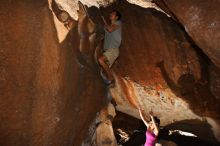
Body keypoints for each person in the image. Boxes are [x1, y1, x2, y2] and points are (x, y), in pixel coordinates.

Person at [98, 10, 122, 86]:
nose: (111, 14)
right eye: (111, 13)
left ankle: (111, 79)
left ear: (116, 17)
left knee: (101, 60)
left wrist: (103, 20)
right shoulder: (111, 25)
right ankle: (109, 81)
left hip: (113, 49)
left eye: (113, 14)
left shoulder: (118, 23)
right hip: (109, 50)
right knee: (104, 67)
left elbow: (110, 29)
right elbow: (108, 29)